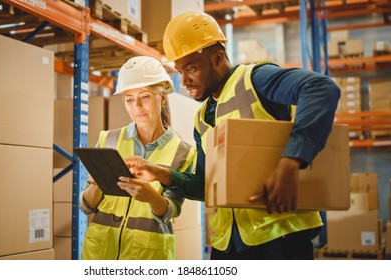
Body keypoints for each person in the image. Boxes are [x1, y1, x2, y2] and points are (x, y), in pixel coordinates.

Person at [124, 11, 340, 260]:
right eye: (180, 71)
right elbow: (207, 186)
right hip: (228, 245)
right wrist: (162, 173)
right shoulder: (202, 117)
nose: (184, 80)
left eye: (191, 68)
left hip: (280, 240)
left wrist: (291, 163)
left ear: (217, 58)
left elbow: (321, 88)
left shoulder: (256, 79)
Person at [78, 56, 196, 260]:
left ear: (163, 97)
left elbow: (170, 211)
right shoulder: (109, 139)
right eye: (129, 99)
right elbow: (85, 205)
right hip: (100, 253)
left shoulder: (182, 152)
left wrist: (150, 196)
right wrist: (97, 185)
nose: (137, 106)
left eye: (145, 96)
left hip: (145, 256)